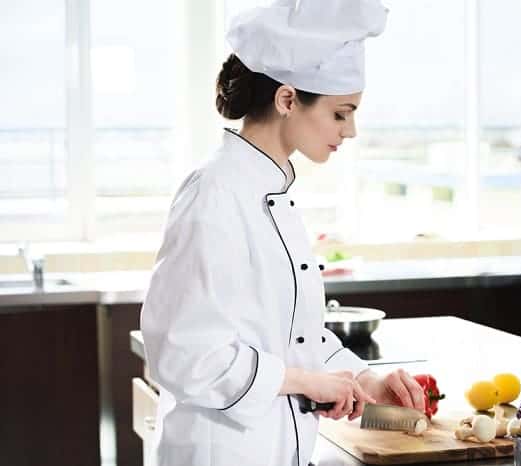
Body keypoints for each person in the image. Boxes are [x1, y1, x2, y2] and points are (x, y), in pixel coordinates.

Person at [140, 1, 425, 465]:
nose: (350, 131)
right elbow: (183, 353)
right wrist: (304, 382)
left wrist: (361, 379)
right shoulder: (215, 193)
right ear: (288, 99)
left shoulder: (273, 191)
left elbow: (293, 337)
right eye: (340, 114)